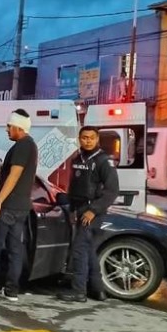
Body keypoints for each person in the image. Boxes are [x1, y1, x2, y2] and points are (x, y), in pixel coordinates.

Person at [57, 126, 119, 302]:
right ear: (79, 139)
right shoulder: (78, 158)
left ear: (97, 139)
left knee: (79, 250)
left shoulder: (103, 161)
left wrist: (93, 210)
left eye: (91, 138)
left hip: (92, 211)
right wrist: (71, 209)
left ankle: (78, 291)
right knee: (89, 251)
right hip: (79, 209)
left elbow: (112, 191)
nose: (88, 141)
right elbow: (74, 187)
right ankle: (98, 290)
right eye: (84, 138)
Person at [0, 109, 38, 302]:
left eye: (8, 126)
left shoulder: (23, 145)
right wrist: (1, 167)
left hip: (9, 206)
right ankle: (11, 290)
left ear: (18, 127)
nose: (6, 130)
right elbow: (16, 171)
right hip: (21, 207)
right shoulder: (28, 146)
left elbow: (14, 176)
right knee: (15, 248)